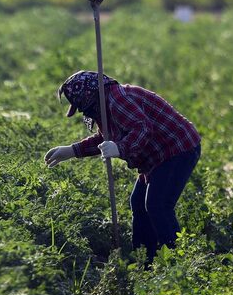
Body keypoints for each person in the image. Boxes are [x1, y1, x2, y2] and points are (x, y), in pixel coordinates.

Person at [45, 70, 201, 262]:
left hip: (177, 148)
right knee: (138, 203)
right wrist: (72, 150)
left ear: (90, 96)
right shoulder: (104, 106)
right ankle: (145, 260)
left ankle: (180, 260)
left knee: (157, 204)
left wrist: (120, 148)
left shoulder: (117, 100)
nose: (84, 112)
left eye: (82, 106)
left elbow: (143, 128)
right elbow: (106, 138)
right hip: (156, 156)